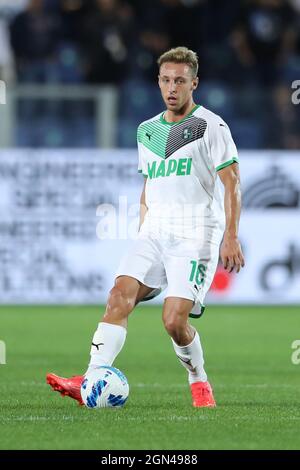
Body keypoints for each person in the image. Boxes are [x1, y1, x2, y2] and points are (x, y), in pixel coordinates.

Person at [47, 46, 245, 408]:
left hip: (196, 232)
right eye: (166, 80)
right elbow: (148, 185)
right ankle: (91, 378)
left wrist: (230, 236)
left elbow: (231, 181)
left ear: (194, 84)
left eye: (180, 81)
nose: (172, 88)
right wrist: (142, 229)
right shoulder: (146, 131)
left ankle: (198, 378)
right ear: (158, 82)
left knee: (173, 321)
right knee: (118, 295)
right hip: (154, 230)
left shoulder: (210, 126)